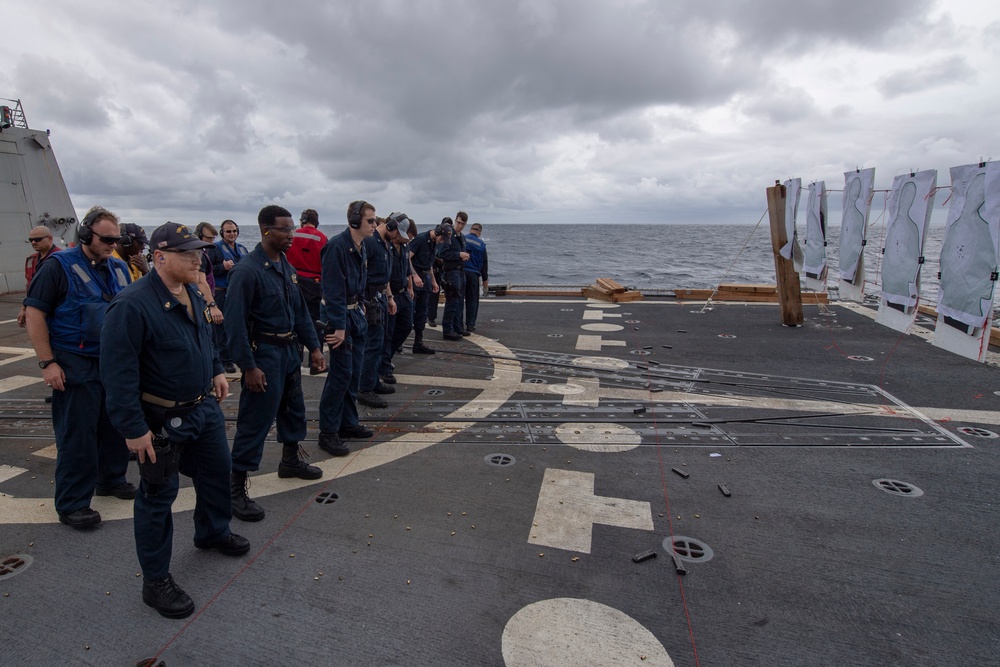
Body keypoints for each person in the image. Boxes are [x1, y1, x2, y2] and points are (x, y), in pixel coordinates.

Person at [101, 221, 249, 619]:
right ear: (160, 257)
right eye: (188, 253)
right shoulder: (131, 305)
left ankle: (212, 532)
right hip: (160, 419)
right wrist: (133, 429)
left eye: (198, 251)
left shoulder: (194, 292)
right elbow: (117, 376)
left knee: (218, 471)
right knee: (157, 498)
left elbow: (205, 339)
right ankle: (156, 581)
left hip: (203, 408)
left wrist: (217, 368)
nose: (197, 258)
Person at [23, 206, 134, 528]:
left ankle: (111, 479)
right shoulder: (58, 267)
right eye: (106, 238)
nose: (113, 244)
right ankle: (72, 503)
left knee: (114, 425)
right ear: (86, 234)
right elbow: (35, 314)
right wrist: (48, 363)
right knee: (77, 435)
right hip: (74, 361)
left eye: (117, 239)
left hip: (111, 362)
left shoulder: (119, 267)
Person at [224, 205, 327, 522]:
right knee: (255, 420)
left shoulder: (287, 267)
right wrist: (248, 366)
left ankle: (290, 461)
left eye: (293, 228)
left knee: (293, 409)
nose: (291, 235)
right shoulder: (247, 271)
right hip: (264, 353)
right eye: (285, 230)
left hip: (288, 351)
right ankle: (235, 489)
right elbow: (235, 325)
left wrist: (315, 347)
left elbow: (300, 313)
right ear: (266, 230)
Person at [317, 200, 376, 457]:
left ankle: (348, 423)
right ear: (354, 221)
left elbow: (358, 284)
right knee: (340, 376)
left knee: (353, 374)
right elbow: (333, 291)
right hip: (339, 318)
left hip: (355, 315)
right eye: (370, 220)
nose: (375, 224)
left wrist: (361, 306)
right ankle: (328, 432)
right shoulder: (336, 247)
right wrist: (339, 327)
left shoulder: (360, 246)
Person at [357, 214, 401, 408]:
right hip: (371, 298)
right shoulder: (370, 243)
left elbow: (385, 277)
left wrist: (390, 297)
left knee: (380, 342)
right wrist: (363, 302)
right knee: (372, 344)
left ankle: (373, 382)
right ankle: (364, 389)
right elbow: (362, 273)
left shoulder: (384, 243)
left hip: (381, 296)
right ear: (391, 227)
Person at [285, 208, 328, 364]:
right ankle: (315, 361)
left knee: (295, 320)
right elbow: (326, 263)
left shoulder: (292, 235)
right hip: (314, 283)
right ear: (316, 221)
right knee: (316, 322)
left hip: (294, 280)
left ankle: (295, 358)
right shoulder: (322, 238)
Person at [381, 215, 417, 384]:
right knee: (388, 332)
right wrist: (389, 297)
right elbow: (385, 275)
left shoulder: (405, 247)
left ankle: (387, 357)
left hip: (403, 293)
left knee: (406, 326)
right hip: (392, 294)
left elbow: (407, 269)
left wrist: (410, 287)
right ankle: (384, 367)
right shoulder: (386, 247)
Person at [213, 220, 249, 373]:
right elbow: (207, 270)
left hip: (239, 292)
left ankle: (236, 355)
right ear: (222, 233)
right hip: (222, 291)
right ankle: (225, 359)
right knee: (222, 327)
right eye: (228, 231)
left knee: (238, 324)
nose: (232, 234)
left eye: (234, 231)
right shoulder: (215, 249)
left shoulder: (242, 248)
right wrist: (223, 267)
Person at [408, 222, 447, 354]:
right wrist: (414, 275)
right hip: (414, 280)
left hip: (425, 281)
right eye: (442, 238)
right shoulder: (420, 239)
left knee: (422, 313)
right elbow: (407, 258)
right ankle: (397, 343)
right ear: (437, 232)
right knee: (408, 315)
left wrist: (434, 281)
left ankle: (418, 343)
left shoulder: (434, 243)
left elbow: (429, 264)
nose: (442, 242)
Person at [17, 226, 61, 327]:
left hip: (56, 311)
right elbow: (29, 286)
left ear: (50, 238)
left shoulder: (62, 259)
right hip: (37, 310)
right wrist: (24, 308)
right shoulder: (32, 260)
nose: (33, 242)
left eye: (38, 239)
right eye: (31, 240)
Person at [436, 214, 470, 340]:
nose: (460, 226)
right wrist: (458, 255)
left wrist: (464, 256)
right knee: (452, 301)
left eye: (463, 224)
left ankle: (457, 327)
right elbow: (442, 253)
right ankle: (448, 329)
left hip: (460, 270)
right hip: (451, 272)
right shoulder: (449, 236)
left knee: (459, 301)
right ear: (455, 221)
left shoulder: (462, 237)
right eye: (459, 222)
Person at [194, 222, 224, 329]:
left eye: (213, 238)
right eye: (209, 238)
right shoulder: (199, 255)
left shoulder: (202, 252)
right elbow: (201, 281)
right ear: (199, 235)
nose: (212, 242)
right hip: (203, 302)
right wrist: (212, 306)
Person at [463, 222, 489, 331]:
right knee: (472, 300)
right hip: (474, 274)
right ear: (479, 232)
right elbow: (484, 264)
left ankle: (457, 324)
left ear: (470, 230)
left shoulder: (463, 239)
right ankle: (470, 324)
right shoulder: (481, 244)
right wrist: (485, 280)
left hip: (461, 272)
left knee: (459, 300)